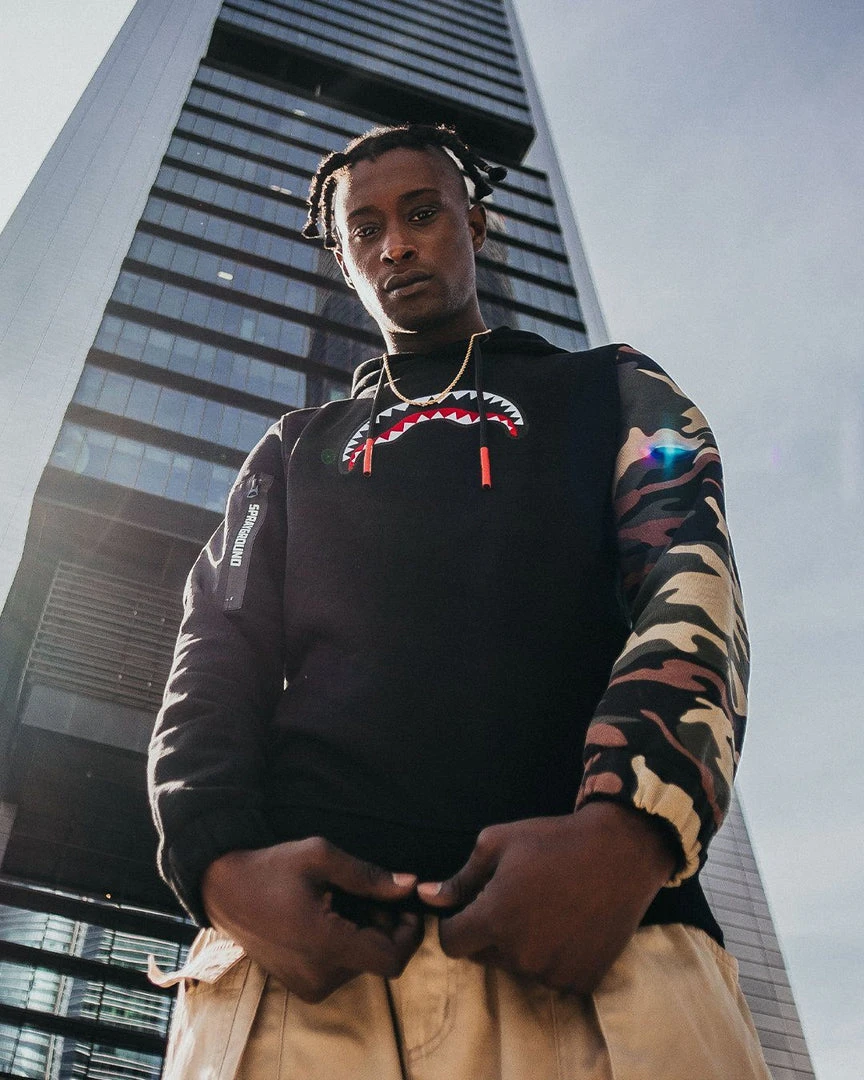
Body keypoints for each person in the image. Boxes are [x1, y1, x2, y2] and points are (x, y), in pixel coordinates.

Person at [148, 123, 770, 1079]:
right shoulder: (291, 448)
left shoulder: (613, 388)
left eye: (422, 214)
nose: (395, 245)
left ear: (474, 226)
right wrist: (218, 865)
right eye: (365, 231)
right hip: (311, 969)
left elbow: (691, 580)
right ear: (346, 262)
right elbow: (214, 649)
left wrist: (632, 834)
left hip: (599, 939)